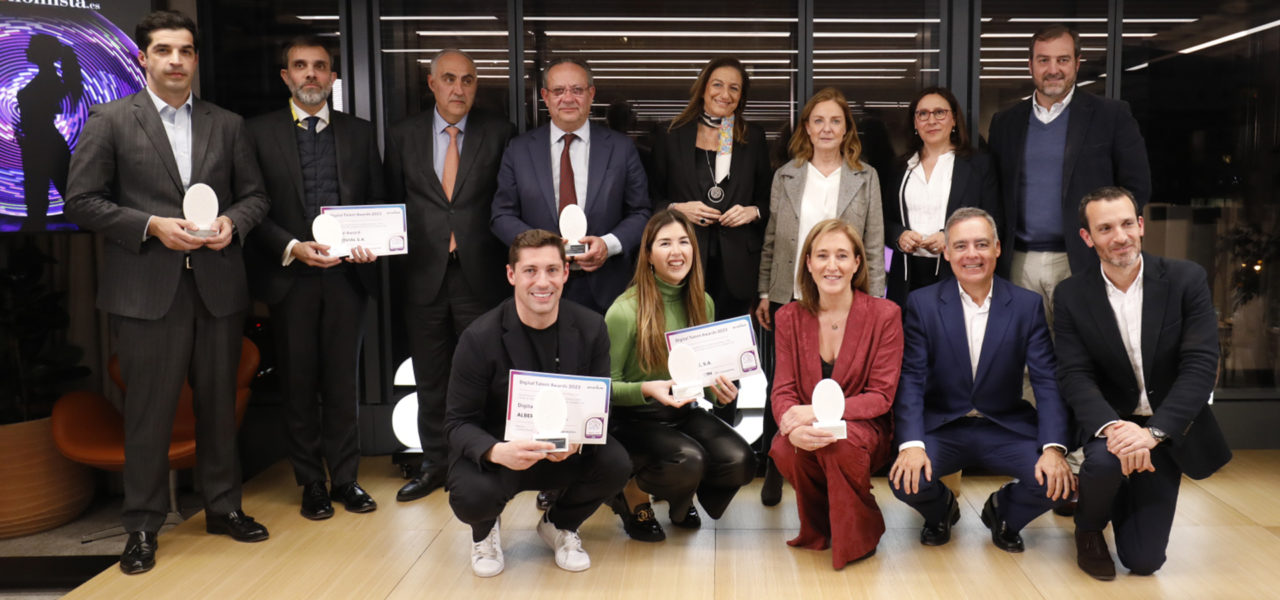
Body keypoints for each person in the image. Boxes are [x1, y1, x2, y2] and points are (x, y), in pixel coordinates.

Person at [64, 10, 270, 575]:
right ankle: (143, 527)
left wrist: (233, 223)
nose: (175, 60)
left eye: (184, 51)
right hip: (145, 292)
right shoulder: (109, 120)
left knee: (218, 410)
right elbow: (81, 201)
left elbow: (255, 197)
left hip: (218, 289)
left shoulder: (227, 124)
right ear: (143, 58)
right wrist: (152, 226)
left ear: (196, 60)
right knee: (149, 414)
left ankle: (224, 509)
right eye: (163, 51)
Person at [1053, 186, 1230, 580]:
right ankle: (1087, 527)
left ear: (1141, 225)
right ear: (1087, 237)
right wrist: (1116, 430)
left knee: (1143, 561)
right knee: (1102, 464)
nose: (1119, 237)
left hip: (1163, 431)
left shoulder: (1186, 279)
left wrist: (1154, 433)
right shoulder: (1071, 295)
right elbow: (1074, 373)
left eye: (1127, 224)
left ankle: (1118, 496)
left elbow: (1201, 366)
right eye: (1105, 228)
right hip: (1110, 429)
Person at [244, 36, 383, 520]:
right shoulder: (257, 133)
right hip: (290, 276)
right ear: (286, 76)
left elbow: (376, 202)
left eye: (320, 67)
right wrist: (291, 246)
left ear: (332, 78)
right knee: (299, 385)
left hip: (348, 278)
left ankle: (346, 479)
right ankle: (310, 483)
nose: (310, 75)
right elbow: (251, 205)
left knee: (344, 384)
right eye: (300, 66)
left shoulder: (360, 133)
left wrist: (373, 245)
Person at [444, 229, 631, 577]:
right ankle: (485, 532)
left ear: (565, 273)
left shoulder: (591, 328)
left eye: (551, 270)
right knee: (470, 494)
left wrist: (578, 441)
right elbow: (457, 423)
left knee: (616, 463)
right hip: (503, 456)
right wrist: (496, 452)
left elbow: (598, 410)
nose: (542, 281)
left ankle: (559, 524)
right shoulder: (479, 338)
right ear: (511, 275)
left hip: (563, 452)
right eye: (530, 270)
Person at [888, 207, 1073, 553]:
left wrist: (1053, 447)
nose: (971, 254)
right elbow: (911, 378)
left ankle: (1005, 512)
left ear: (998, 249)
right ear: (946, 252)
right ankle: (941, 509)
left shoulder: (1026, 305)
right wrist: (911, 444)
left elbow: (1047, 381)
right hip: (944, 424)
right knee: (906, 481)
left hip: (1003, 425)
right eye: (960, 246)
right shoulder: (923, 304)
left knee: (1058, 482)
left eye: (981, 244)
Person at [385, 49, 517, 503]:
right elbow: (392, 204)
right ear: (432, 84)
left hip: (480, 277)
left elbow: (507, 201)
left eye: (467, 80)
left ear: (476, 86)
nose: (458, 88)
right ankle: (434, 465)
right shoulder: (402, 136)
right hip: (423, 276)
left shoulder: (500, 133)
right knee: (431, 378)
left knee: (486, 375)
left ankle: (487, 462)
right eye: (449, 79)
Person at [755, 87, 886, 505]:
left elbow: (873, 242)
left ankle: (832, 461)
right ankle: (777, 462)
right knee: (785, 384)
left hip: (846, 298)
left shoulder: (866, 176)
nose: (826, 128)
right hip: (791, 295)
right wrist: (765, 290)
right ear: (806, 128)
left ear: (846, 128)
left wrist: (877, 302)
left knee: (838, 382)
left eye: (835, 120)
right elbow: (773, 239)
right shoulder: (786, 176)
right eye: (818, 121)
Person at [604, 210, 756, 542]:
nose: (677, 252)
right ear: (648, 256)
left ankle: (680, 497)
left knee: (741, 459)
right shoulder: (623, 311)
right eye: (665, 243)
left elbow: (707, 378)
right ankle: (630, 493)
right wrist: (647, 388)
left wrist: (721, 393)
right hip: (633, 419)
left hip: (682, 411)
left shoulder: (703, 302)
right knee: (689, 459)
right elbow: (603, 389)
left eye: (684, 242)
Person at [987, 24, 1151, 323]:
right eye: (1043, 60)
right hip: (1017, 263)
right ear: (1030, 65)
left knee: (1079, 358)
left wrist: (1108, 239)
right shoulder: (1005, 122)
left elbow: (1136, 187)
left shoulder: (1110, 116)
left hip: (1083, 260)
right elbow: (994, 191)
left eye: (1062, 59)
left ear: (1077, 63)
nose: (1053, 69)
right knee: (1023, 359)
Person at [769, 218, 901, 569]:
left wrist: (813, 412)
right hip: (807, 424)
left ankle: (860, 532)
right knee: (786, 448)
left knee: (837, 444)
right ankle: (822, 527)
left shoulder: (885, 315)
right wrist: (792, 426)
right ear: (808, 263)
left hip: (864, 425)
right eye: (822, 255)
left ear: (857, 263)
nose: (832, 265)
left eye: (842, 255)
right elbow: (782, 389)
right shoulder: (788, 317)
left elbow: (881, 397)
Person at [490, 57, 651, 315]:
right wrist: (542, 249)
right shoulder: (519, 150)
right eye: (558, 90)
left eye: (577, 90)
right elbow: (501, 215)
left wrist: (608, 245)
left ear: (591, 94)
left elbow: (641, 212)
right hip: (540, 287)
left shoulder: (621, 149)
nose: (568, 98)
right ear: (545, 96)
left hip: (607, 289)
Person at [649, 57, 771, 323]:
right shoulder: (671, 135)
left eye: (734, 88)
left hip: (738, 269)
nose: (724, 94)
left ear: (742, 96)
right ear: (703, 88)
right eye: (717, 85)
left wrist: (753, 211)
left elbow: (768, 199)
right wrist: (677, 209)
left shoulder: (752, 138)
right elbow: (652, 198)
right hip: (683, 260)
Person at [884, 86, 999, 307]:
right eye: (923, 114)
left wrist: (950, 237)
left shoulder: (978, 166)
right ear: (915, 123)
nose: (931, 120)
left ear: (954, 120)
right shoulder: (900, 167)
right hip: (906, 277)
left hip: (956, 273)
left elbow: (993, 220)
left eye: (940, 112)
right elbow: (884, 220)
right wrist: (899, 236)